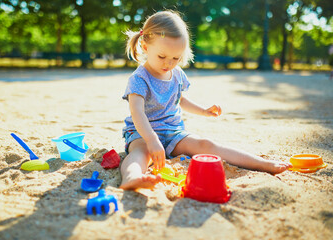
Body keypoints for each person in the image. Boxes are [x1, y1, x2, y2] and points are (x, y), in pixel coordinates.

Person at [119, 10, 292, 190]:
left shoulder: (177, 74)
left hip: (173, 131)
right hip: (142, 133)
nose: (168, 64)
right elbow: (136, 112)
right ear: (146, 47)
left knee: (206, 144)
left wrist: (203, 111)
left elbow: (179, 99)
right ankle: (132, 177)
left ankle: (261, 164)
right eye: (162, 56)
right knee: (142, 153)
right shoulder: (139, 78)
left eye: (175, 58)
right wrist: (152, 139)